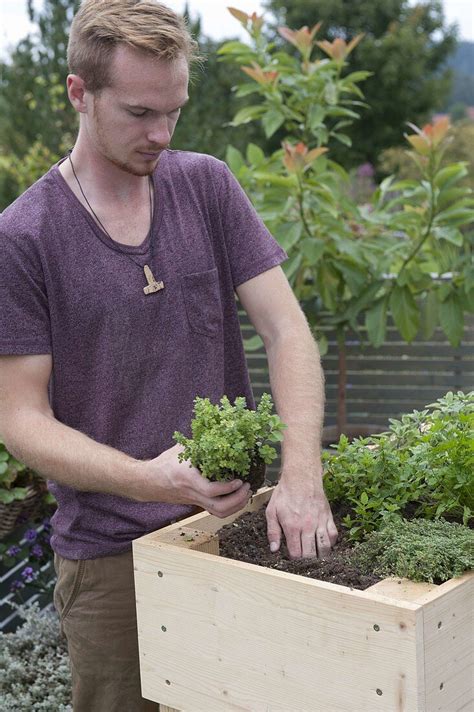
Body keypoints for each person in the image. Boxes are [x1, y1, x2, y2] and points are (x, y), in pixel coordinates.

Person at [0, 1, 337, 710]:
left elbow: (288, 332)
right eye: (139, 113)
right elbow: (21, 420)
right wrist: (151, 479)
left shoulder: (206, 186)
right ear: (78, 94)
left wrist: (302, 474)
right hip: (109, 565)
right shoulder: (24, 238)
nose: (161, 133)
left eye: (174, 111)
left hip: (231, 534)